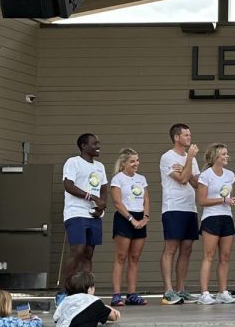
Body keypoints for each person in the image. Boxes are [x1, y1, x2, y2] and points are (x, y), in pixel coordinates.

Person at [60, 133, 107, 298]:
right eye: (94, 143)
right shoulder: (73, 162)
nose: (98, 146)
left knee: (88, 253)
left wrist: (102, 205)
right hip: (76, 212)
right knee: (77, 250)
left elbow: (103, 188)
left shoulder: (100, 166)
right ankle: (63, 292)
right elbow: (68, 185)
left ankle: (85, 292)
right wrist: (92, 197)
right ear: (83, 146)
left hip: (93, 215)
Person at [159, 123, 201, 305]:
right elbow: (183, 180)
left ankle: (180, 289)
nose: (189, 138)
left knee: (187, 248)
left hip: (190, 207)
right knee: (171, 248)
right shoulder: (167, 157)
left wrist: (187, 165)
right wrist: (189, 159)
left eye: (190, 135)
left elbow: (197, 183)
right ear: (176, 137)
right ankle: (168, 290)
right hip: (173, 207)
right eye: (185, 135)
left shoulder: (191, 159)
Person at [195, 143, 235, 304]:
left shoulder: (230, 175)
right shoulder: (205, 176)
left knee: (225, 256)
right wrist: (223, 199)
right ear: (215, 157)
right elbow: (202, 200)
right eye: (223, 154)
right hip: (211, 217)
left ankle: (222, 292)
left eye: (227, 154)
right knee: (209, 255)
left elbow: (227, 196)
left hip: (227, 216)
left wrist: (231, 200)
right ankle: (204, 293)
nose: (227, 156)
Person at [108, 148, 148, 307]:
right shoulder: (118, 179)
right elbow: (117, 202)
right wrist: (131, 219)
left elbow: (146, 200)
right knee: (121, 257)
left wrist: (145, 217)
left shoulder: (141, 178)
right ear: (124, 163)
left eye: (137, 160)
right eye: (132, 161)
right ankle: (116, 295)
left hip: (140, 218)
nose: (136, 164)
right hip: (125, 218)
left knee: (134, 258)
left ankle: (132, 294)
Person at [53, 271, 120, 327]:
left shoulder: (65, 301)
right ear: (89, 289)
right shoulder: (94, 302)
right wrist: (108, 308)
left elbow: (56, 318)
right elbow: (113, 317)